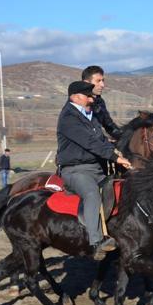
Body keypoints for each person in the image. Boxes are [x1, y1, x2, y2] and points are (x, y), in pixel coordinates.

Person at [56, 80, 132, 260]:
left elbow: (101, 140)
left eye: (91, 95)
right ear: (75, 97)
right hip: (75, 170)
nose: (91, 99)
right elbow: (90, 143)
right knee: (91, 194)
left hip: (96, 168)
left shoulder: (90, 116)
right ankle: (96, 242)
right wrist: (115, 158)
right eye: (87, 96)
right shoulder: (68, 118)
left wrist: (116, 150)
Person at [82, 65, 122, 142]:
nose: (102, 85)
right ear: (86, 83)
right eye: (98, 81)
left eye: (103, 81)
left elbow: (109, 125)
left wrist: (125, 138)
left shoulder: (99, 101)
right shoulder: (77, 102)